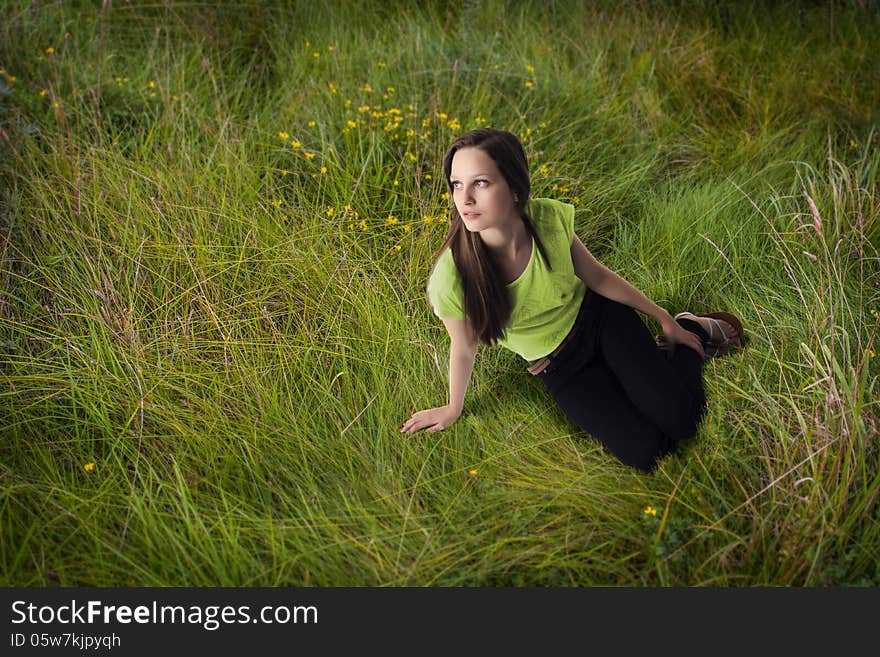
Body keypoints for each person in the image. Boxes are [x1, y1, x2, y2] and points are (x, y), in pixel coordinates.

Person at [399, 128, 744, 473]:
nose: (465, 199)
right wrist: (452, 407)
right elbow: (463, 346)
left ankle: (689, 329)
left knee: (684, 420)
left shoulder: (547, 219)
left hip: (602, 321)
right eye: (457, 184)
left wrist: (664, 319)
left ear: (515, 187)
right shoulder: (451, 277)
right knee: (648, 454)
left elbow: (597, 276)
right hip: (558, 366)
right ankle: (647, 371)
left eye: (481, 183)